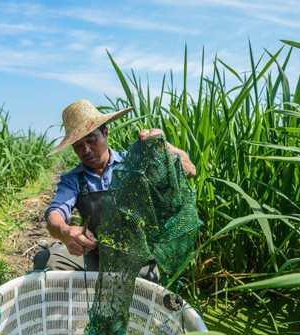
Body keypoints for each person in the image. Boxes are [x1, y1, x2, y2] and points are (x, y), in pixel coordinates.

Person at [33, 99, 196, 281]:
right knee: (47, 261)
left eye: (91, 139)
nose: (86, 149)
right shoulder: (74, 179)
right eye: (79, 145)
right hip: (95, 254)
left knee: (143, 283)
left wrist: (162, 147)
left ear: (105, 132)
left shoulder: (135, 163)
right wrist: (64, 231)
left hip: (137, 257)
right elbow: (55, 213)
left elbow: (189, 170)